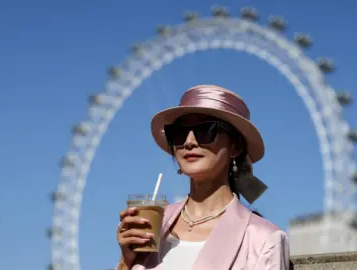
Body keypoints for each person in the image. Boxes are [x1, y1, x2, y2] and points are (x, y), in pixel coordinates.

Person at [116, 85, 290, 269]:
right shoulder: (152, 225)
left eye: (205, 130)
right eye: (179, 132)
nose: (189, 142)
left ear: (235, 146)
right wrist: (126, 261)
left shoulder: (263, 239)